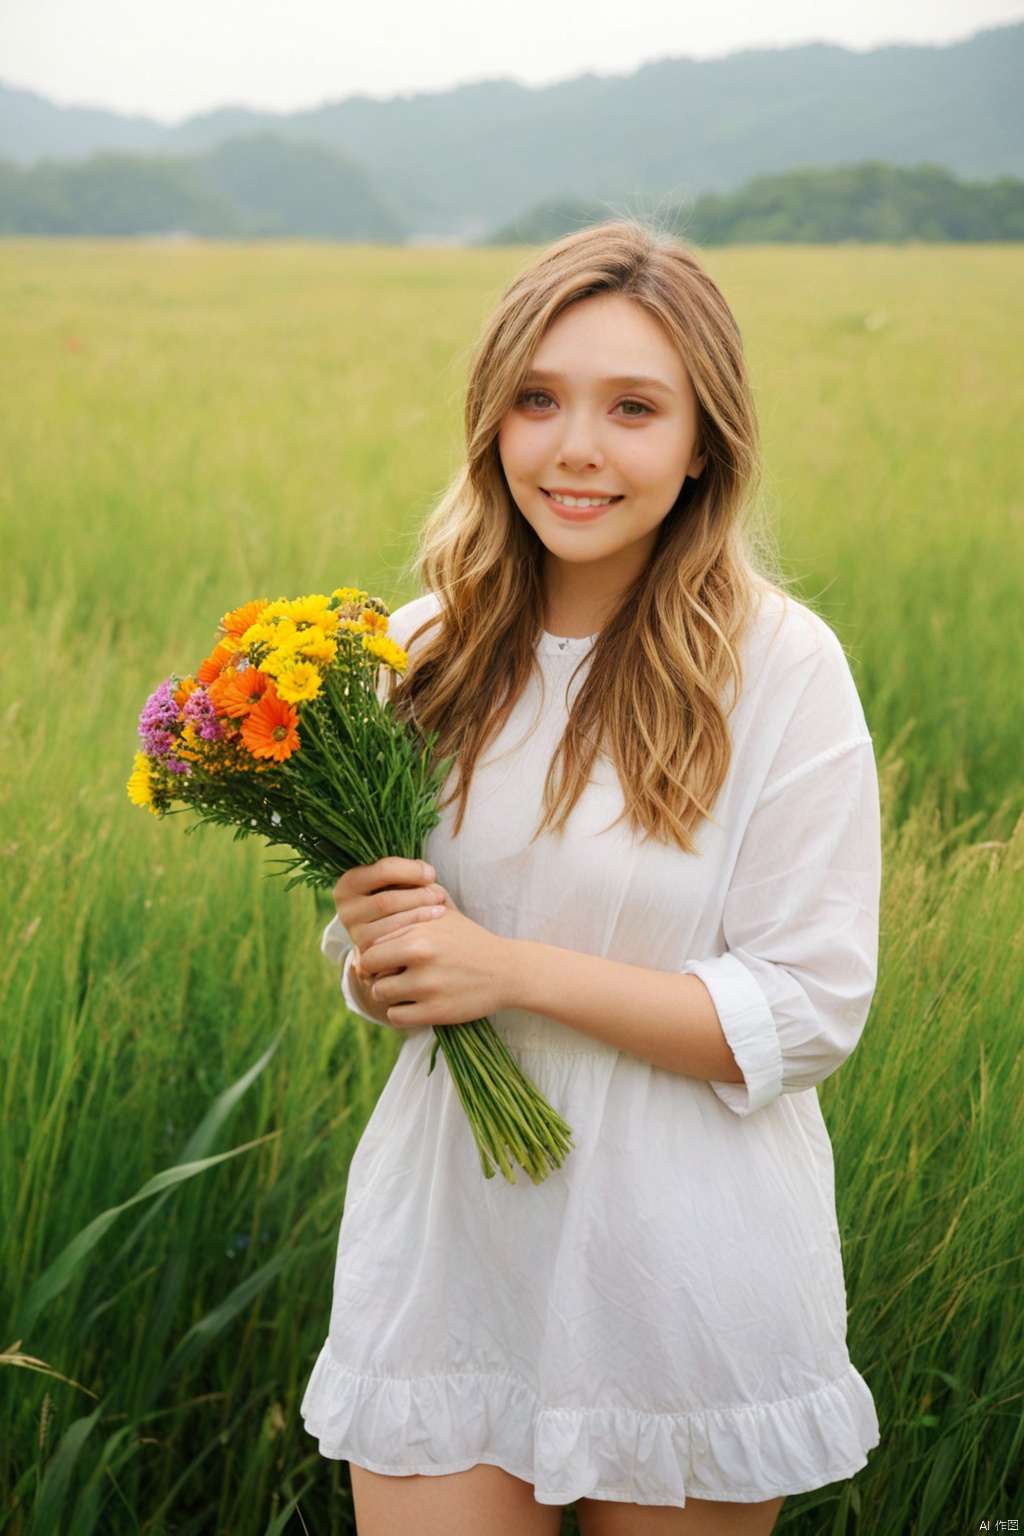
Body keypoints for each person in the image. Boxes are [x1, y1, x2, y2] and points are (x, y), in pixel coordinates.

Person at [300, 222, 881, 1536]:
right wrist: (381, 953)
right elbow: (386, 975)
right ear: (491, 418)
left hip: (682, 1258)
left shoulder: (780, 667)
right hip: (452, 1244)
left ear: (702, 443)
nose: (576, 448)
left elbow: (806, 1008)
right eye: (539, 399)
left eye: (634, 408)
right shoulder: (417, 651)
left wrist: (508, 970)